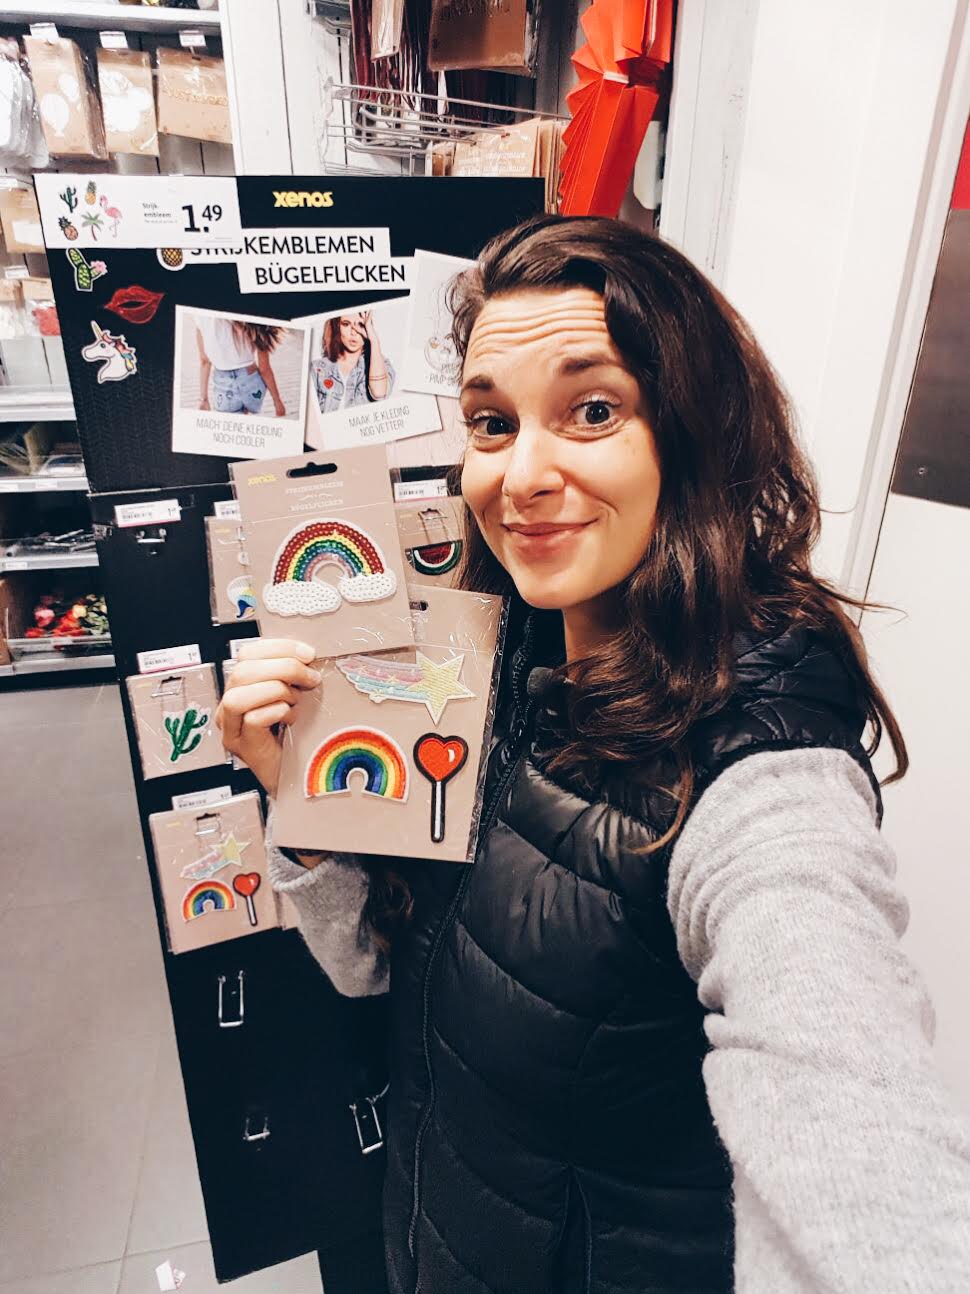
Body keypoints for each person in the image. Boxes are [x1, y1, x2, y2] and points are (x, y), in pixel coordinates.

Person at [216, 215, 970, 1294]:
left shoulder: (760, 776)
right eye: (491, 422)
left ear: (690, 434)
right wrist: (299, 802)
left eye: (594, 410)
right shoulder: (482, 665)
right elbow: (365, 968)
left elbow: (849, 1106)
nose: (521, 475)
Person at [195, 316, 287, 417]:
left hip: (224, 387)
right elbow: (264, 369)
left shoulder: (202, 316)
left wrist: (203, 399)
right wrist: (277, 401)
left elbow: (204, 361)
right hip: (252, 383)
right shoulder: (253, 320)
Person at [311, 309, 394, 414]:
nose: (353, 332)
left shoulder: (382, 365)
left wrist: (374, 340)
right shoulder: (317, 368)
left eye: (360, 325)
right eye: (346, 324)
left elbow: (379, 393)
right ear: (337, 327)